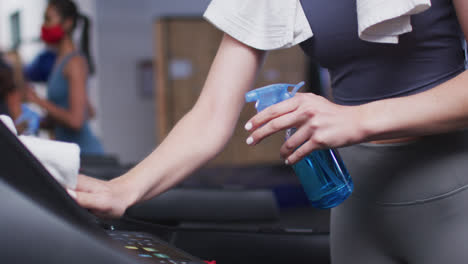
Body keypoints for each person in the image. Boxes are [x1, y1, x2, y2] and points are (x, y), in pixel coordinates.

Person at [73, 0, 468, 262]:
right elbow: (212, 113)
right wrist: (124, 189)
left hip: (451, 193)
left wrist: (357, 118)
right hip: (354, 201)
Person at [26, 0, 103, 154]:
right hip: (70, 153)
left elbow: (76, 121)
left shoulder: (74, 62)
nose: (44, 25)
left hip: (85, 154)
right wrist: (38, 122)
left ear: (67, 23)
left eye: (48, 19)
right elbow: (90, 111)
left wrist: (38, 101)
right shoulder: (59, 60)